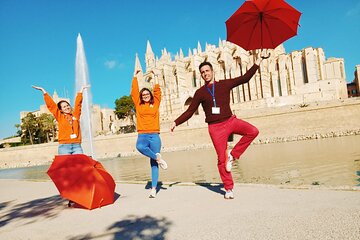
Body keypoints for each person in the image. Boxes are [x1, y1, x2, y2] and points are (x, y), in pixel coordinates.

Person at [171, 51, 267, 199]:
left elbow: (245, 78)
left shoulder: (224, 84)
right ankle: (228, 188)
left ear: (212, 71)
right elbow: (190, 111)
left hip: (231, 121)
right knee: (221, 158)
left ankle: (233, 156)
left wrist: (258, 60)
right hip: (215, 128)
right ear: (200, 75)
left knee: (253, 131)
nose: (205, 74)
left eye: (207, 71)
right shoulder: (200, 93)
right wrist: (176, 122)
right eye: (202, 72)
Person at [131, 70, 168, 198]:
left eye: (147, 94)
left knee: (153, 164)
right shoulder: (138, 104)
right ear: (141, 97)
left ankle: (153, 188)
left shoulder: (155, 103)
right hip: (143, 135)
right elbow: (134, 92)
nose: (145, 95)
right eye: (143, 94)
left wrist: (156, 76)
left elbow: (158, 91)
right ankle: (158, 158)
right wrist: (135, 76)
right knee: (140, 147)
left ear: (150, 95)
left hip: (155, 135)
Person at [32, 85, 90, 155]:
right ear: (61, 109)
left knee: (81, 165)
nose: (67, 107)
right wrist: (43, 91)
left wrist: (81, 90)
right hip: (64, 147)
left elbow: (78, 104)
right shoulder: (60, 116)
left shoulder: (75, 115)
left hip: (77, 146)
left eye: (68, 105)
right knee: (65, 166)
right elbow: (52, 106)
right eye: (64, 107)